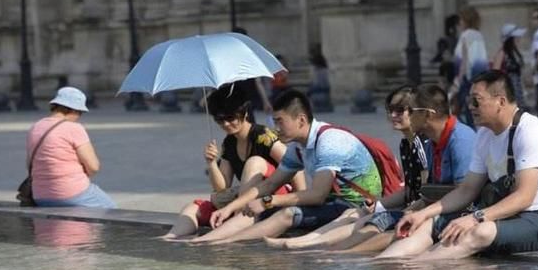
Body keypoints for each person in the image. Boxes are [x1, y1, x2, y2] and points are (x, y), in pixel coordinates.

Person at [377, 70, 538, 259]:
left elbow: (524, 197)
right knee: (429, 224)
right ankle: (383, 266)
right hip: (505, 215)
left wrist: (475, 217)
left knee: (480, 232)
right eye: (468, 101)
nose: (470, 107)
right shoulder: (484, 134)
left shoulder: (529, 132)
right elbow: (467, 190)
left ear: (500, 102)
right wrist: (423, 214)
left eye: (476, 101)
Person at [266, 84, 476, 253]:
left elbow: (436, 190)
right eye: (390, 110)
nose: (394, 115)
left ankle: (330, 250)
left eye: (403, 110)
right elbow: (418, 189)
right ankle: (311, 243)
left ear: (426, 114)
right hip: (421, 207)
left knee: (374, 221)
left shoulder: (431, 142)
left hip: (434, 211)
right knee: (359, 214)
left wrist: (409, 209)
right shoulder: (409, 144)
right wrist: (380, 205)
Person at [194, 89, 383, 244]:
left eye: (280, 121)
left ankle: (225, 244)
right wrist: (230, 208)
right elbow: (269, 185)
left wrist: (268, 201)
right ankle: (205, 241)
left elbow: (318, 195)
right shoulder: (297, 147)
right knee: (253, 208)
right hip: (331, 202)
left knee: (287, 213)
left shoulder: (329, 142)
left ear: (301, 120)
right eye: (274, 121)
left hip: (356, 206)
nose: (276, 128)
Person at [161, 84, 305, 239]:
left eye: (230, 118)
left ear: (244, 113)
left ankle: (229, 224)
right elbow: (222, 187)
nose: (225, 124)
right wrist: (211, 163)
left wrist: (300, 201)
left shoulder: (263, 135)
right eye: (219, 120)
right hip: (244, 203)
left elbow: (295, 165)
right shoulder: (229, 142)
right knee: (192, 208)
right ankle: (169, 238)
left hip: (272, 199)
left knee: (254, 162)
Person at [27, 87, 116, 208]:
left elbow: (30, 164)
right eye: (80, 112)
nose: (79, 116)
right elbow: (93, 167)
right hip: (72, 193)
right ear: (73, 109)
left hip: (40, 195)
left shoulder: (35, 127)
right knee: (111, 209)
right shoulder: (74, 128)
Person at [451, 6, 488, 127]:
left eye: (461, 19)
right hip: (479, 78)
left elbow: (464, 61)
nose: (459, 22)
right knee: (473, 111)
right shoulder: (479, 35)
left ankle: (468, 134)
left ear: (466, 20)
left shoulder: (465, 36)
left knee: (462, 111)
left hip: (466, 80)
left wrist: (458, 81)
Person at [492, 23, 527, 108]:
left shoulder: (514, 53)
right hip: (507, 91)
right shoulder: (502, 53)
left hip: (517, 90)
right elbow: (495, 73)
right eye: (516, 37)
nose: (519, 39)